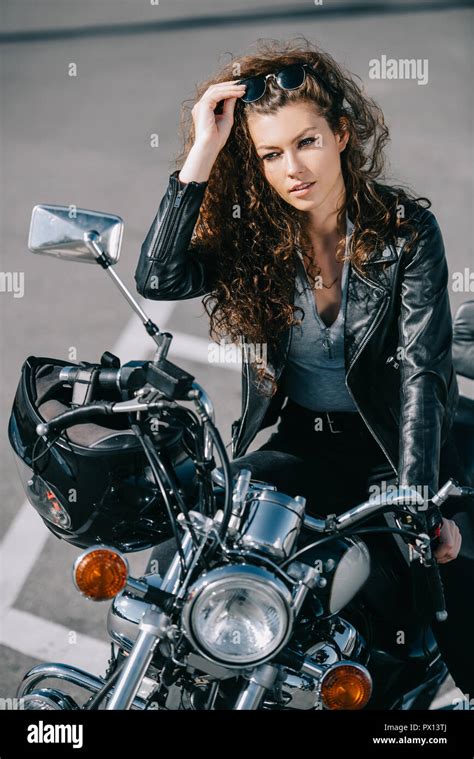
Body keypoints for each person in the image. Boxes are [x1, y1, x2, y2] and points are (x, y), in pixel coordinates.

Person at [134, 39, 474, 699]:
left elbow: (421, 376)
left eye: (307, 142)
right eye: (270, 153)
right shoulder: (256, 232)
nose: (292, 167)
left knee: (443, 582)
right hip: (299, 442)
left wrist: (419, 495)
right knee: (202, 540)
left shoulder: (406, 233)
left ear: (342, 133)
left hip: (388, 452)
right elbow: (159, 275)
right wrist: (205, 148)